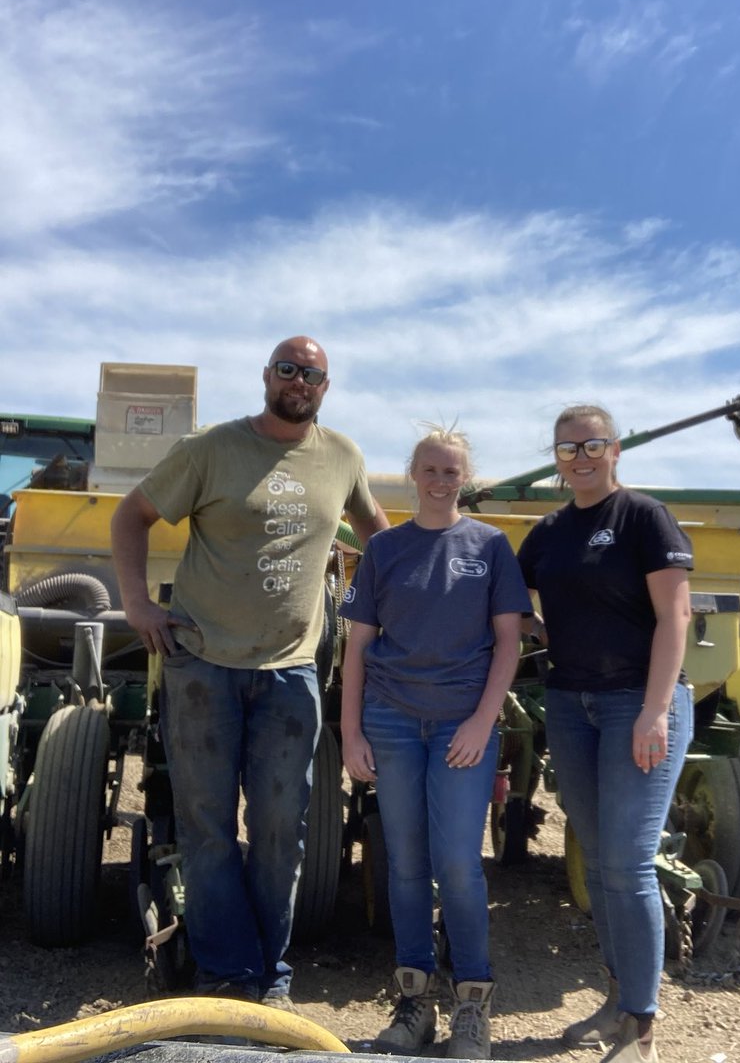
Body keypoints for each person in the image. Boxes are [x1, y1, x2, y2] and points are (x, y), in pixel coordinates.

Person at [111, 336, 388, 1008]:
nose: (299, 382)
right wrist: (137, 603)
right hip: (203, 666)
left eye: (312, 374)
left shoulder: (343, 457)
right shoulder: (212, 448)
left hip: (291, 673)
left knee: (280, 831)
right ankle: (226, 971)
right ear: (267, 375)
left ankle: (270, 973)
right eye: (288, 369)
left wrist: (419, 598)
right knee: (207, 825)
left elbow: (380, 539)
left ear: (326, 386)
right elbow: (131, 515)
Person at [340, 427, 530, 1059]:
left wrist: (482, 721)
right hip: (392, 722)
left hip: (461, 727)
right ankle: (414, 1003)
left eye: (452, 472)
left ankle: (472, 1006)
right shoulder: (384, 549)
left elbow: (509, 642)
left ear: (464, 479)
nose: (441, 480)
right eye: (431, 469)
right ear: (413, 474)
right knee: (405, 864)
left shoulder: (490, 546)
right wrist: (351, 733)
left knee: (457, 863)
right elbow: (357, 647)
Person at [517, 404, 693, 1063]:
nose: (581, 457)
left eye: (593, 445)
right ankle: (617, 1002)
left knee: (628, 862)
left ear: (615, 449)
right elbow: (510, 599)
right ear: (556, 459)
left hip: (638, 705)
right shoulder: (549, 532)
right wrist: (536, 628)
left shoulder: (644, 517)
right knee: (597, 859)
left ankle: (641, 1031)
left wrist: (655, 711)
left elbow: (674, 617)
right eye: (568, 448)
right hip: (570, 705)